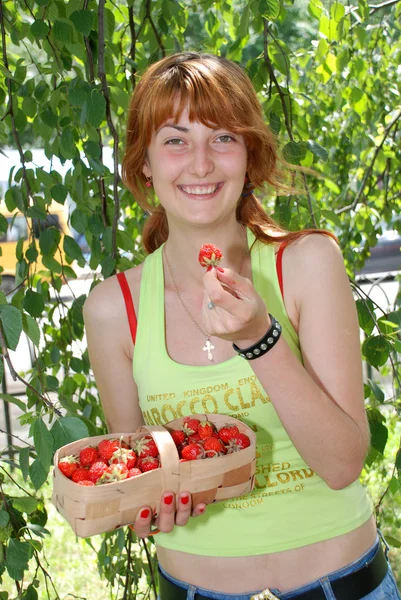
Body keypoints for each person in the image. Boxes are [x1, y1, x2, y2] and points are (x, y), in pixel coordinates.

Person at [83, 52, 401, 600]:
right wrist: (147, 506)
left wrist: (260, 338)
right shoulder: (113, 310)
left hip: (340, 586)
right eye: (175, 140)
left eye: (223, 137)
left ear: (249, 155)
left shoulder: (305, 263)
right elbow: (138, 484)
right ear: (144, 164)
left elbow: (344, 464)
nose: (201, 163)